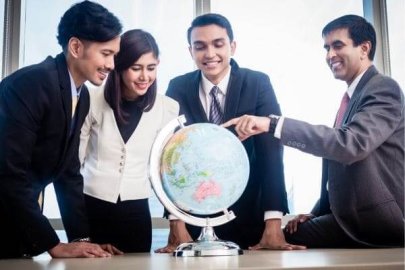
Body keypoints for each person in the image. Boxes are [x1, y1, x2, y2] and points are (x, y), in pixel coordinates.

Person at [223, 14, 404, 248]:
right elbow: (341, 176)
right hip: (349, 217)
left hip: (375, 222)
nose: (329, 55)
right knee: (275, 236)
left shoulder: (382, 88)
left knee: (271, 239)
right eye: (327, 48)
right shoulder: (352, 97)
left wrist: (273, 124)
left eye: (337, 46)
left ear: (364, 48)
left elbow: (349, 146)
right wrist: (315, 213)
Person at [156, 13, 305, 252]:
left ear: (232, 46)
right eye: (200, 46)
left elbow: (271, 153)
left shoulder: (257, 83)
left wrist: (273, 223)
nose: (210, 54)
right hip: (194, 221)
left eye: (218, 44)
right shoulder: (178, 87)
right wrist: (176, 223)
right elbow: (169, 156)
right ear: (191, 51)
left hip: (250, 219)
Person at [0, 1, 123, 258]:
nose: (112, 64)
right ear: (76, 47)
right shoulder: (29, 85)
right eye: (106, 53)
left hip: (20, 224)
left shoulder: (82, 95)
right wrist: (54, 245)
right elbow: (9, 173)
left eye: (114, 55)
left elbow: (68, 171)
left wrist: (83, 241)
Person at [79, 29, 179, 253]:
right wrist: (78, 233)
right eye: (136, 68)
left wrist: (175, 219)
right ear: (119, 66)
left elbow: (168, 172)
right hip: (91, 207)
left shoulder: (168, 108)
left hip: (137, 213)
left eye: (151, 68)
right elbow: (74, 164)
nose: (145, 76)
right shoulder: (91, 98)